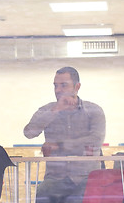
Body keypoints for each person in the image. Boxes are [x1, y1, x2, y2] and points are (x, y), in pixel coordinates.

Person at [23, 66, 106, 203]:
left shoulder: (94, 111)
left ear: (77, 87)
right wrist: (56, 110)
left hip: (86, 177)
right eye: (55, 86)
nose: (58, 90)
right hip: (55, 179)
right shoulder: (47, 110)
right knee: (43, 191)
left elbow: (95, 141)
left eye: (63, 85)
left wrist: (59, 146)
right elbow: (29, 133)